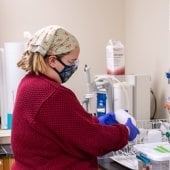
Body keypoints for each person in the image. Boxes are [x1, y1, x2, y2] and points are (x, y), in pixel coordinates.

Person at [11, 25, 139, 170]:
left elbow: (68, 125)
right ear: (52, 60)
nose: (73, 67)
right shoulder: (52, 94)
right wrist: (125, 132)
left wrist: (97, 122)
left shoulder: (29, 82)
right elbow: (94, 141)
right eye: (71, 62)